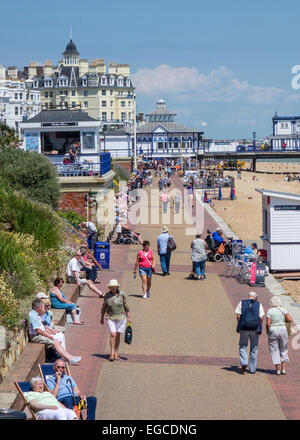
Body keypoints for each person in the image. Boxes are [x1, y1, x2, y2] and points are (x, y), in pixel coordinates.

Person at [29, 299, 81, 364]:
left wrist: (51, 331)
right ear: (39, 308)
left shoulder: (36, 314)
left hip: (41, 334)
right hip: (36, 336)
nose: (43, 308)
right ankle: (68, 359)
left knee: (56, 341)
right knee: (55, 342)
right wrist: (50, 336)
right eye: (42, 306)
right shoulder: (33, 316)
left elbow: (43, 326)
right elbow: (38, 330)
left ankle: (69, 357)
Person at [100, 279, 132, 361]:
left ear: (117, 287)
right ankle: (111, 353)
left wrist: (128, 316)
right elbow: (104, 307)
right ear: (110, 287)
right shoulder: (107, 296)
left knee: (118, 335)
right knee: (113, 334)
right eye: (111, 287)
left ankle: (116, 352)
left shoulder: (122, 294)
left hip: (121, 317)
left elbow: (126, 305)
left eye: (114, 287)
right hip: (110, 317)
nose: (113, 288)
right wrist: (102, 317)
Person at [235, 291, 265, 374]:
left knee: (243, 345)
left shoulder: (242, 302)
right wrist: (259, 324)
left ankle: (244, 362)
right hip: (255, 329)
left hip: (244, 328)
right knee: (254, 348)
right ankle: (252, 369)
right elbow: (261, 317)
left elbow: (238, 315)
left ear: (248, 296)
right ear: (255, 298)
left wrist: (239, 323)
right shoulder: (259, 304)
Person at [266, 296, 293, 375]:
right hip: (283, 330)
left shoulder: (269, 311)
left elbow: (268, 323)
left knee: (274, 349)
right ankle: (283, 369)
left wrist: (267, 330)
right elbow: (290, 319)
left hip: (273, 330)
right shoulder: (283, 309)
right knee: (283, 348)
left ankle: (277, 369)